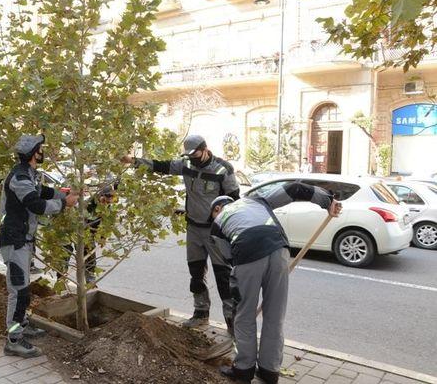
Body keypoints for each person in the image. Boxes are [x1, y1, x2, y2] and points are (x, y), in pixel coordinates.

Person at [210, 183, 341, 383]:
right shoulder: (254, 200)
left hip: (247, 255)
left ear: (217, 209)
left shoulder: (217, 222)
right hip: (279, 249)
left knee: (244, 316)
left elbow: (228, 257)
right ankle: (269, 371)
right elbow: (294, 188)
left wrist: (241, 290)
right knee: (275, 314)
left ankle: (244, 369)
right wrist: (327, 201)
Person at [121, 134, 240, 332]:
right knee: (196, 274)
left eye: (195, 154)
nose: (192, 159)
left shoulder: (222, 169)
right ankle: (201, 313)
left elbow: (234, 199)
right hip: (193, 229)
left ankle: (232, 321)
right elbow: (160, 165)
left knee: (223, 277)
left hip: (215, 233)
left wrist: (224, 221)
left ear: (205, 149)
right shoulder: (187, 165)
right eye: (189, 155)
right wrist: (133, 161)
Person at [0, 134, 79, 358]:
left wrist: (65, 193)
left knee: (23, 289)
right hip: (14, 242)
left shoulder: (28, 174)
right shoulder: (20, 177)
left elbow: (42, 191)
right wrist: (64, 203)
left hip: (22, 240)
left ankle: (22, 326)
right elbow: (36, 204)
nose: (43, 151)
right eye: (41, 148)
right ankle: (13, 340)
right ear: (34, 153)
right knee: (19, 292)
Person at [57, 183, 117, 284]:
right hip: (71, 230)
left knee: (89, 254)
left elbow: (107, 224)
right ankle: (60, 278)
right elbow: (79, 221)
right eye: (107, 197)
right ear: (100, 195)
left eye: (111, 197)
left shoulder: (108, 208)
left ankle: (90, 281)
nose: (108, 201)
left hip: (88, 234)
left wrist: (103, 237)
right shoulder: (86, 204)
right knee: (65, 252)